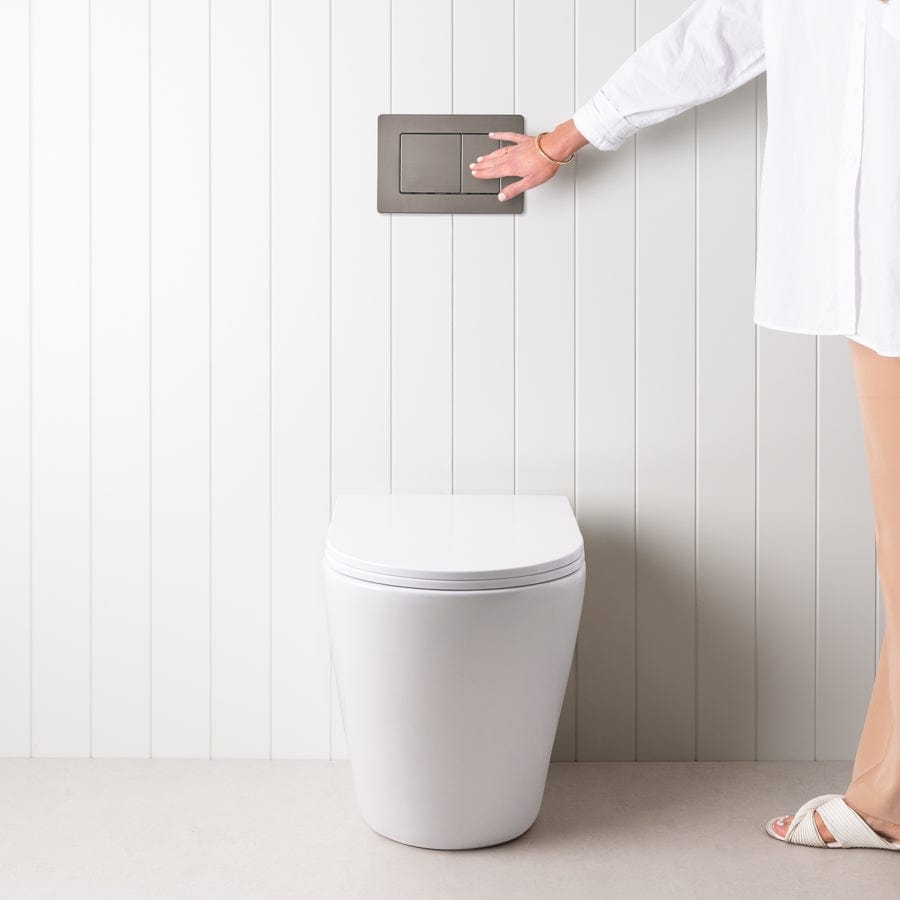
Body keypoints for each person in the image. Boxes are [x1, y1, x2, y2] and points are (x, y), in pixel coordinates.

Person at [471, 0, 900, 851]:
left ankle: (886, 800)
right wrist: (564, 138)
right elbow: (713, 40)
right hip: (879, 267)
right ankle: (886, 796)